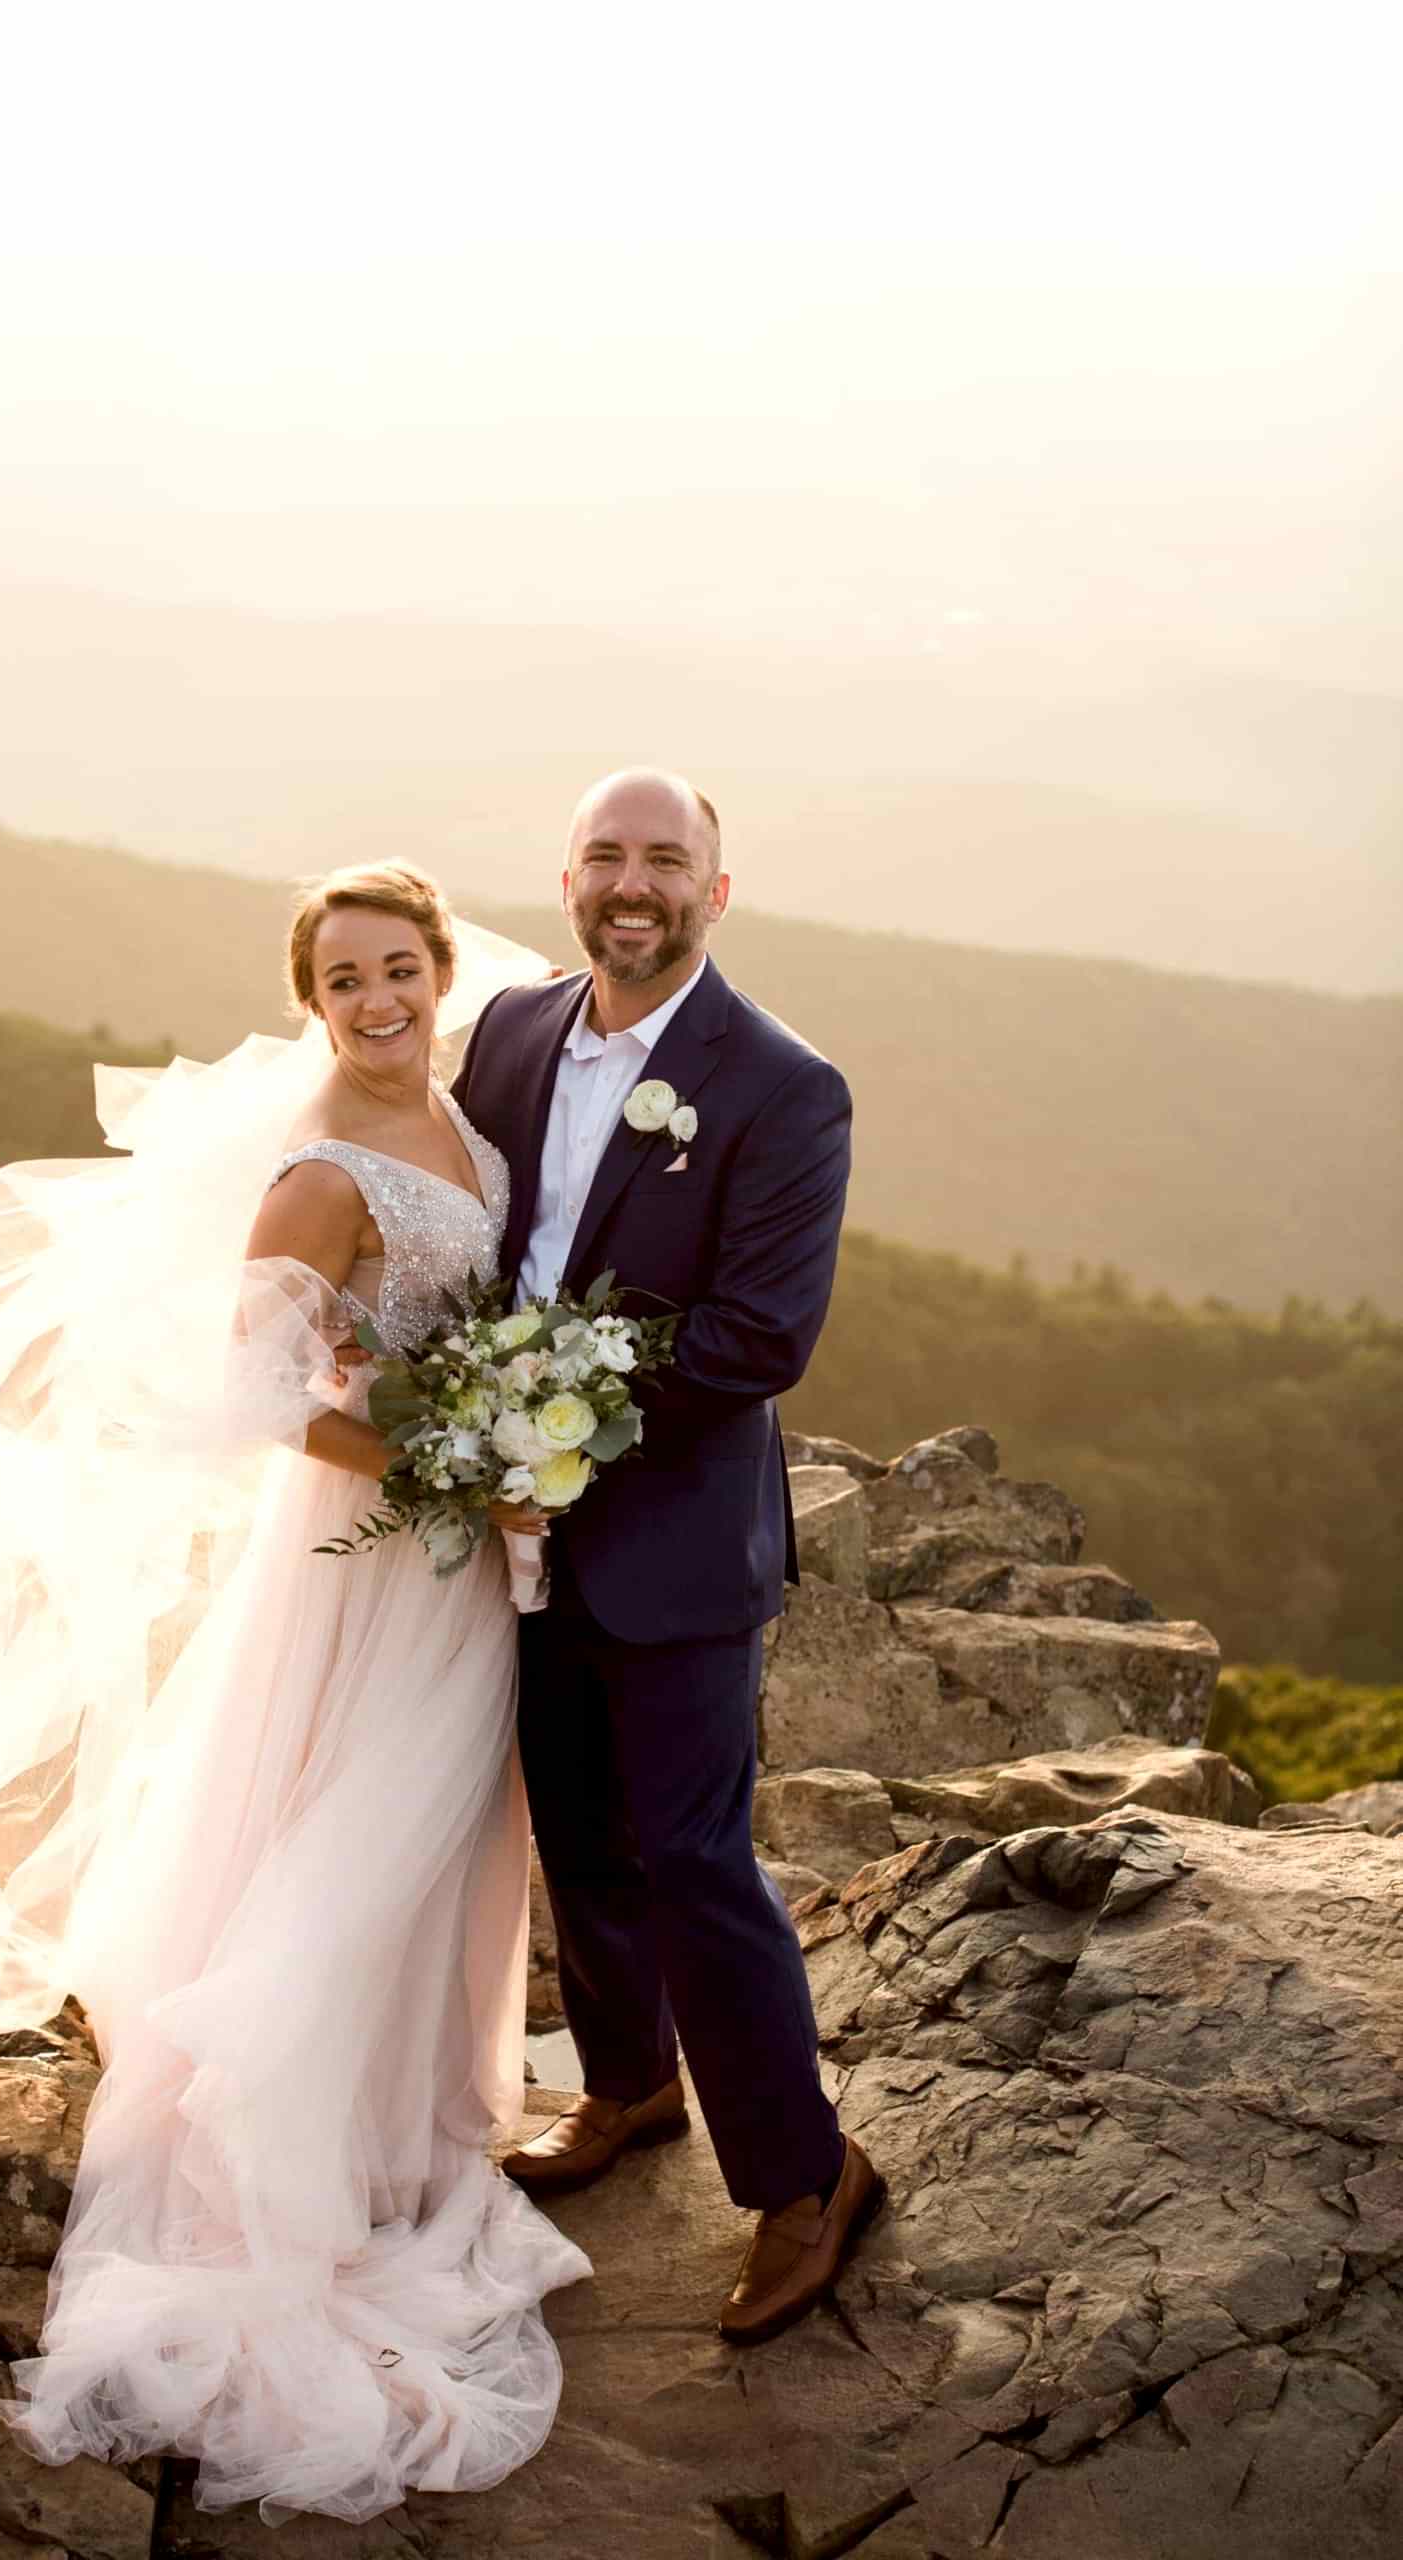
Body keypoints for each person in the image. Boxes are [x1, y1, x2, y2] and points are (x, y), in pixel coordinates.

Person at [0, 867, 588, 2524]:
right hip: (371, 1545)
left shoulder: (475, 1138)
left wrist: (510, 1446)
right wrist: (460, 1459)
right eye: (344, 980)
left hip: (455, 1557)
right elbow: (263, 1395)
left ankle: (403, 2131)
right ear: (311, 1003)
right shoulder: (314, 1174)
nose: (377, 1001)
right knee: (349, 1826)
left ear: (444, 973)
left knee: (436, 1835)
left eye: (399, 968)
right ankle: (294, 2163)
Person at [451, 768, 885, 2345]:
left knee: (698, 1861)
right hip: (514, 1534)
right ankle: (627, 2087)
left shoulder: (782, 1083)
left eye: (666, 862)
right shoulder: (508, 1030)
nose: (633, 885)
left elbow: (759, 1339)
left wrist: (542, 1419)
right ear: (568, 875)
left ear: (718, 887)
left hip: (677, 1542)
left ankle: (803, 2178)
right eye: (606, 856)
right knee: (578, 1826)